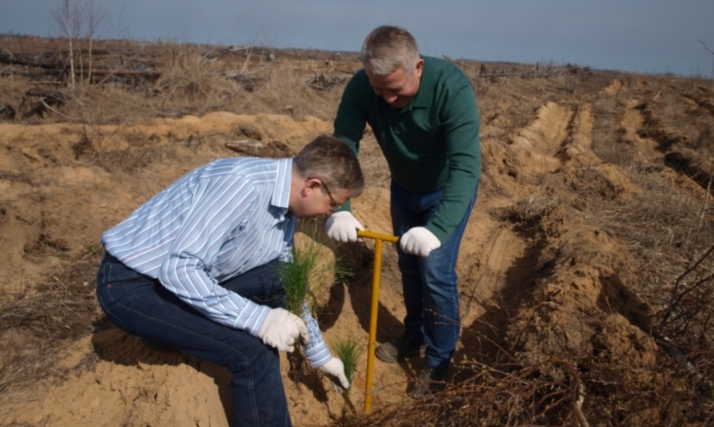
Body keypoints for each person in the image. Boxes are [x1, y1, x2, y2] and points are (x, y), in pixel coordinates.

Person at [96, 135, 364, 427]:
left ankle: (164, 333)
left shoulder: (286, 208)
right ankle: (160, 331)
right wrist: (258, 319)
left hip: (182, 281)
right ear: (312, 186)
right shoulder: (242, 184)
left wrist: (320, 356)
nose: (330, 213)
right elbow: (181, 269)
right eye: (333, 204)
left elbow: (286, 281)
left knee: (277, 273)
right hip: (133, 285)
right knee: (253, 352)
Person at [327, 25, 481, 398]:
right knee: (409, 265)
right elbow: (344, 144)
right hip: (404, 188)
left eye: (396, 90)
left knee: (436, 272)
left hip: (446, 190)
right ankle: (415, 335)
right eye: (380, 91)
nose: (388, 99)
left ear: (418, 68)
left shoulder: (451, 89)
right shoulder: (363, 86)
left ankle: (440, 359)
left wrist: (438, 228)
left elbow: (465, 166)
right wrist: (341, 207)